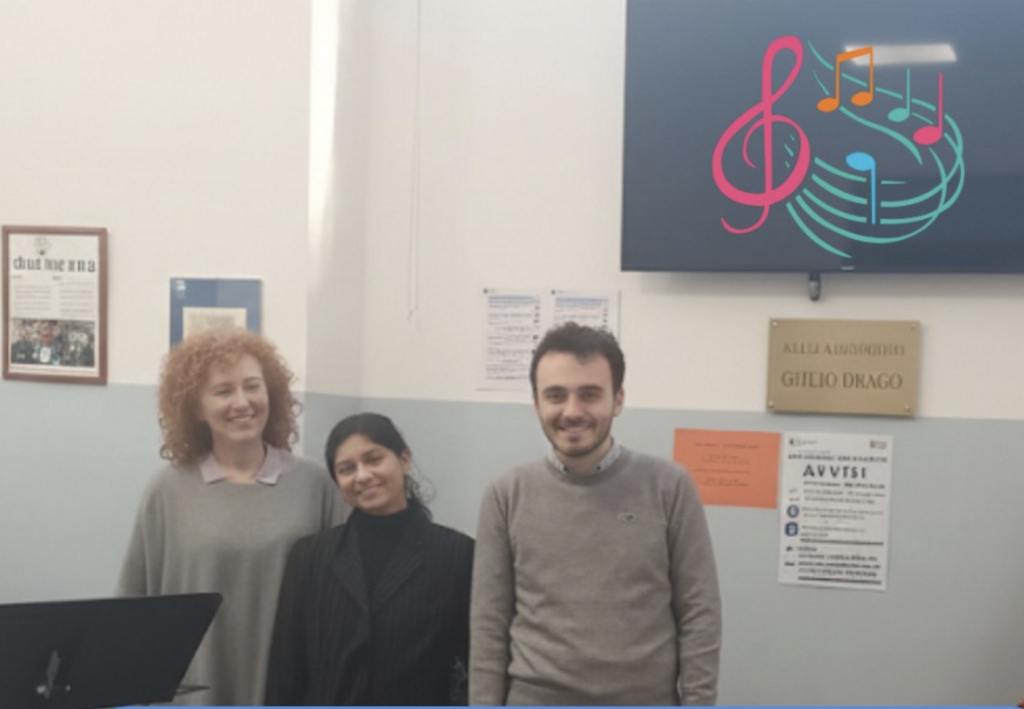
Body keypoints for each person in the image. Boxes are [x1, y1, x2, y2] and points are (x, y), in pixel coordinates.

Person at [470, 322, 722, 705]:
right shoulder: (505, 493)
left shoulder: (669, 486)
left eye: (589, 394)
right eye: (556, 395)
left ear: (618, 399)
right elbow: (488, 625)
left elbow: (700, 615)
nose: (572, 411)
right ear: (537, 402)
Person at [117, 328, 347, 706]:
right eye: (223, 391)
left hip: (290, 690)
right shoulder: (167, 491)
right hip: (193, 693)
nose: (242, 402)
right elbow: (132, 606)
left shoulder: (314, 483)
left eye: (252, 386)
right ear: (196, 408)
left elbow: (344, 599)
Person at [265, 412, 475, 706]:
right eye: (347, 469)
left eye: (374, 460)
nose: (362, 476)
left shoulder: (457, 555)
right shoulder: (309, 557)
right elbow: (286, 670)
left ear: (404, 460)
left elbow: (477, 663)